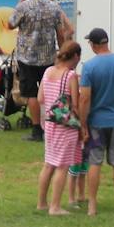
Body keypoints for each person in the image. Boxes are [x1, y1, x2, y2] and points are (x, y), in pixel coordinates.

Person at [9, 0, 73, 141]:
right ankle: (55, 127)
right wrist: (61, 54)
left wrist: (20, 2)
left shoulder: (23, 7)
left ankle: (37, 130)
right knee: (52, 92)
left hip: (27, 57)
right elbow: (60, 33)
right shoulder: (53, 7)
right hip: (48, 57)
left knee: (31, 94)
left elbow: (10, 24)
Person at [79, 28, 114, 216]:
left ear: (93, 45)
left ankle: (92, 205)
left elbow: (85, 98)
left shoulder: (89, 67)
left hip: (96, 122)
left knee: (95, 162)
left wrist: (83, 124)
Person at [37, 40, 84, 215]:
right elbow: (75, 105)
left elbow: (40, 97)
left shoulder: (48, 71)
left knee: (49, 164)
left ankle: (42, 203)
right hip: (65, 125)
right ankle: (55, 206)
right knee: (62, 166)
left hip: (49, 123)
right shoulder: (70, 76)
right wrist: (82, 126)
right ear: (76, 56)